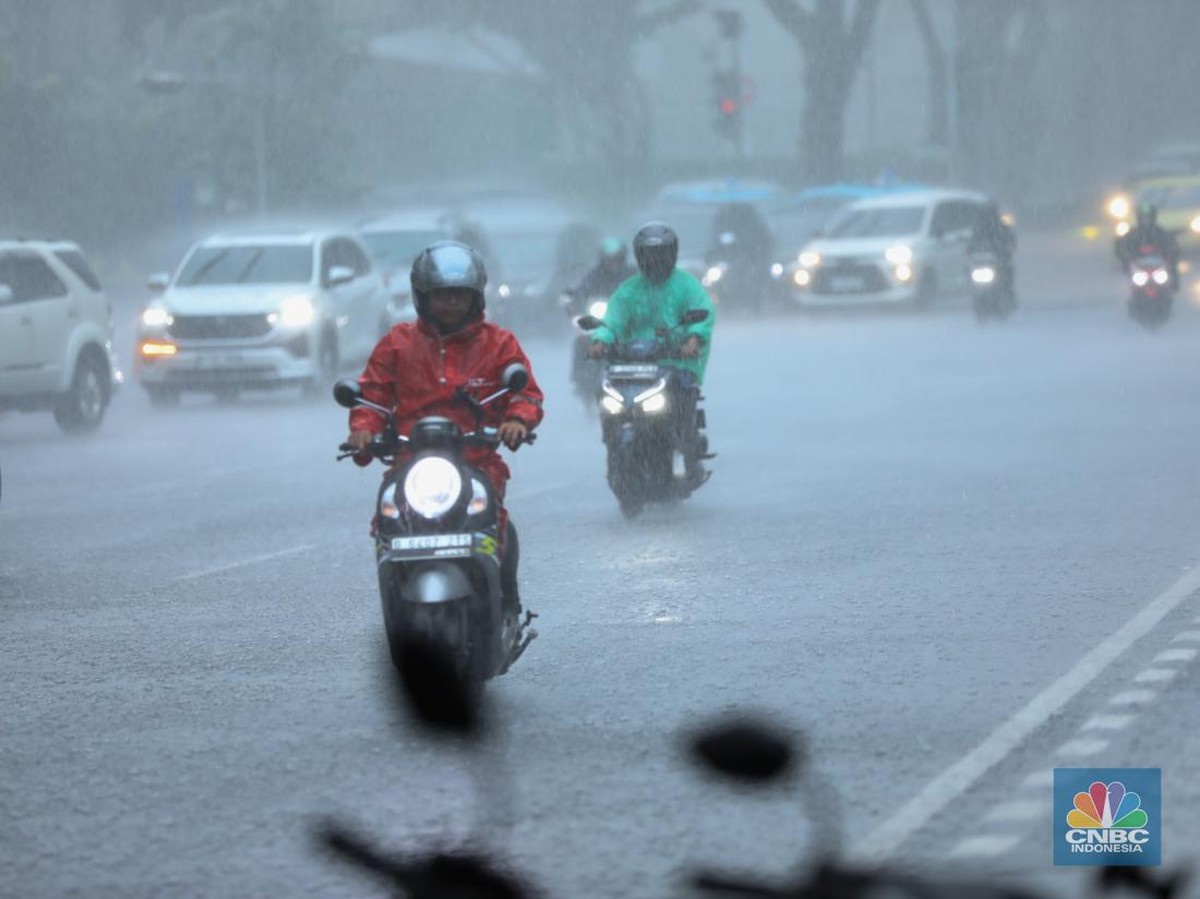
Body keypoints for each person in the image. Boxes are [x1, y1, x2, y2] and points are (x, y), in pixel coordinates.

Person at [345, 240, 544, 614]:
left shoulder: (499, 344)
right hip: (409, 465)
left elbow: (526, 393)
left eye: (460, 295)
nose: (451, 303)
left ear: (476, 297)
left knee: (494, 522)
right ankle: (396, 600)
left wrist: (517, 420)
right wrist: (363, 429)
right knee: (388, 523)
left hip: (476, 462)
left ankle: (505, 604)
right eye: (442, 295)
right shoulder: (397, 344)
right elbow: (371, 396)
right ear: (422, 297)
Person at [588, 222, 715, 482]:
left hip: (676, 363)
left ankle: (685, 449)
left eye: (660, 254)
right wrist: (601, 340)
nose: (655, 260)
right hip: (631, 365)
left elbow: (703, 315)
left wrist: (692, 338)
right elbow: (612, 321)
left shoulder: (686, 285)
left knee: (680, 405)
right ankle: (612, 440)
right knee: (605, 395)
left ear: (672, 254)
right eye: (649, 255)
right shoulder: (629, 289)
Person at [563, 237, 638, 314]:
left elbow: (645, 287)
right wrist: (574, 301)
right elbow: (583, 289)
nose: (613, 263)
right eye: (609, 260)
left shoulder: (633, 274)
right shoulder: (595, 275)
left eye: (617, 259)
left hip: (630, 314)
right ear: (603, 260)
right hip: (603, 315)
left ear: (622, 259)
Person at [1116, 201, 1181, 289]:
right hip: (1139, 267)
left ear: (1153, 217)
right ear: (1138, 218)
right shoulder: (1132, 235)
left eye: (1148, 218)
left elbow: (1172, 246)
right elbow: (1122, 247)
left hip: (1158, 265)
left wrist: (1170, 255)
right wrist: (1127, 257)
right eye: (1143, 218)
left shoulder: (1161, 233)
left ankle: (1173, 286)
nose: (1146, 221)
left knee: (1172, 268)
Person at [967, 200, 1017, 293]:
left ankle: (1006, 292)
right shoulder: (978, 228)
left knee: (1006, 273)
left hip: (999, 262)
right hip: (983, 262)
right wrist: (970, 251)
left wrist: (1006, 249)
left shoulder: (1001, 227)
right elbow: (972, 242)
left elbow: (1010, 241)